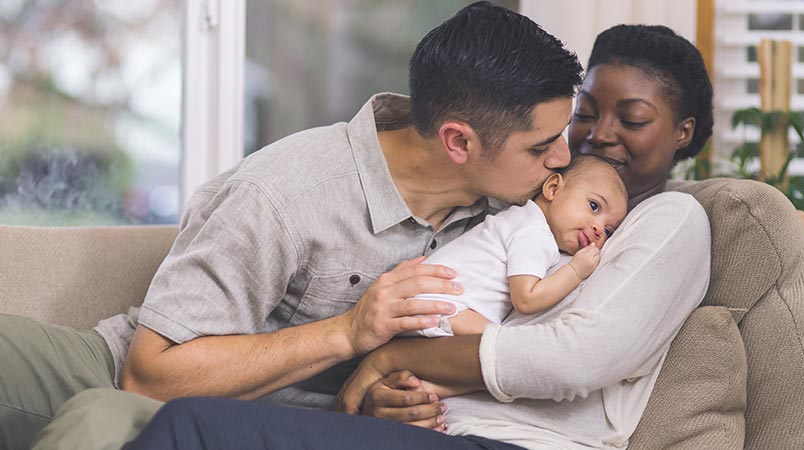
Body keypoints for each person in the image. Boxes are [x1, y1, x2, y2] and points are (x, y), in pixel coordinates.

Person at [4, 3, 585, 450]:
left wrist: (377, 400)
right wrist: (347, 332)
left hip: (245, 422)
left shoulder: (511, 213)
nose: (562, 158)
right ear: (459, 141)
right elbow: (148, 376)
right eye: (542, 146)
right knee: (98, 410)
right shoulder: (289, 192)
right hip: (120, 371)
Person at [120, 24, 718, 450]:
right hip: (401, 420)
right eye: (581, 116)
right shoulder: (514, 201)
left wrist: (387, 358)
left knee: (185, 428)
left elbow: (568, 358)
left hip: (504, 438)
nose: (584, 144)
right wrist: (385, 384)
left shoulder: (668, 221)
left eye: (633, 120)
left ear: (683, 135)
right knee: (150, 419)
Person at [410, 154, 628, 337]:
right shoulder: (533, 232)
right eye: (594, 206)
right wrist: (576, 271)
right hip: (442, 308)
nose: (599, 229)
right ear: (553, 188)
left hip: (425, 305)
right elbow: (527, 298)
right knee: (504, 345)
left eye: (609, 231)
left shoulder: (521, 219)